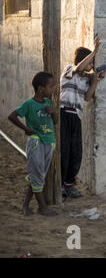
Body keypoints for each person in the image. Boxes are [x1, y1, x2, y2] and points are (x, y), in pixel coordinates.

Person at [59, 37, 105, 198]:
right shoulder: (69, 70)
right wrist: (95, 51)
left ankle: (69, 184)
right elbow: (80, 68)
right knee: (63, 151)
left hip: (76, 117)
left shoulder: (86, 79)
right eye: (91, 62)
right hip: (64, 114)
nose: (91, 67)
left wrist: (95, 81)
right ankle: (60, 185)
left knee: (75, 152)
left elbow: (87, 98)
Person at [8, 72, 58, 216]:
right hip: (36, 142)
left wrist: (53, 111)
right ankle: (42, 207)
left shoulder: (48, 103)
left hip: (49, 142)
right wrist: (25, 129)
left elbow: (55, 121)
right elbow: (12, 116)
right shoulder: (29, 104)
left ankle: (25, 204)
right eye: (51, 87)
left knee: (38, 174)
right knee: (37, 175)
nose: (52, 90)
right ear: (41, 88)